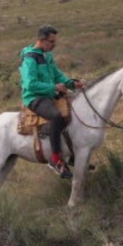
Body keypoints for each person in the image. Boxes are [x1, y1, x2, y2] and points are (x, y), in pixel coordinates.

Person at [20, 25, 85, 178]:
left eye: (55, 42)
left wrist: (71, 83)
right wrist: (54, 87)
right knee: (56, 116)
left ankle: (73, 156)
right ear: (42, 40)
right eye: (52, 42)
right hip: (34, 98)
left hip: (49, 94)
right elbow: (30, 84)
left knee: (74, 112)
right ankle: (55, 159)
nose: (54, 45)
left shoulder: (47, 55)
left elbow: (57, 75)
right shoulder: (30, 58)